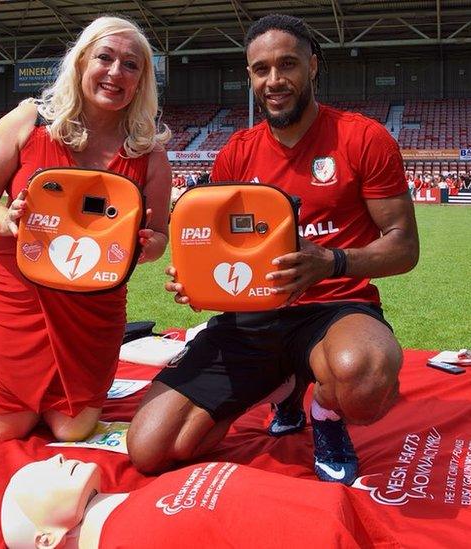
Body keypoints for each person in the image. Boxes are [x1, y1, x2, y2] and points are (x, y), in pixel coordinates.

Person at [127, 14, 418, 486]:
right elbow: (222, 248)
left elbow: (403, 247)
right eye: (261, 69)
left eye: (288, 65)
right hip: (252, 316)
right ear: (249, 77)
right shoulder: (236, 153)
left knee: (363, 379)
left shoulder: (363, 138)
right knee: (153, 449)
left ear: (313, 66)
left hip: (334, 309)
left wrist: (331, 262)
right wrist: (199, 282)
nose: (275, 80)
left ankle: (325, 413)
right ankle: (283, 385)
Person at [0, 16, 172, 442]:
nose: (115, 73)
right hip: (17, 294)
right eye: (105, 58)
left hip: (93, 306)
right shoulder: (28, 121)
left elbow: (160, 234)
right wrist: (6, 219)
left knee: (74, 427)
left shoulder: (150, 154)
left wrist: (148, 246)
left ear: (141, 81)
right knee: (8, 427)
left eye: (131, 65)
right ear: (80, 63)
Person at [1, 455, 398, 549]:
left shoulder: (145, 493)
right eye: (36, 476)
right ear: (46, 539)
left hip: (351, 517)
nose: (54, 458)